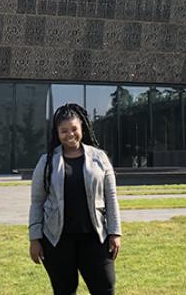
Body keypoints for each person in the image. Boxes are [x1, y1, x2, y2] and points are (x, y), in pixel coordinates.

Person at [29, 103, 121, 295]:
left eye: (74, 129)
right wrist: (35, 238)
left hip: (95, 237)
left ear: (82, 128)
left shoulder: (100, 158)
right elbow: (37, 202)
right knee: (64, 290)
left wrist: (115, 233)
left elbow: (111, 197)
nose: (70, 134)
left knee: (105, 287)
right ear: (57, 132)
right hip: (57, 240)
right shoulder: (46, 162)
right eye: (64, 131)